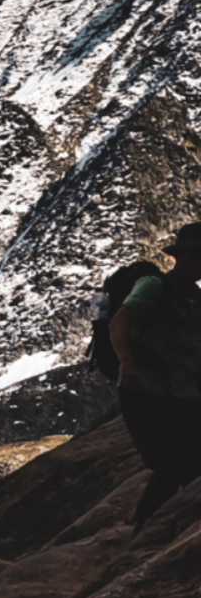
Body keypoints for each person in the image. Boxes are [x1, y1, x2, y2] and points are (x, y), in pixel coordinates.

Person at [109, 223, 201, 527]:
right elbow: (120, 322)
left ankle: (151, 528)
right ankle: (142, 530)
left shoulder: (194, 297)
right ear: (181, 256)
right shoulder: (154, 286)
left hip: (180, 396)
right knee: (172, 468)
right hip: (145, 393)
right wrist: (127, 363)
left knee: (187, 467)